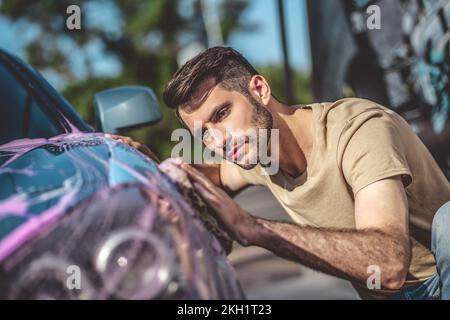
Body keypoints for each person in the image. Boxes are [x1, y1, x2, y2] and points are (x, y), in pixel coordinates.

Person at [109, 46, 450, 300]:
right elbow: (214, 177)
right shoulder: (260, 154)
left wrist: (253, 228)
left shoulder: (358, 129)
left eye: (222, 113)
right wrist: (153, 166)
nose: (219, 141)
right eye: (204, 135)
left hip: (435, 282)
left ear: (259, 89)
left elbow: (389, 266)